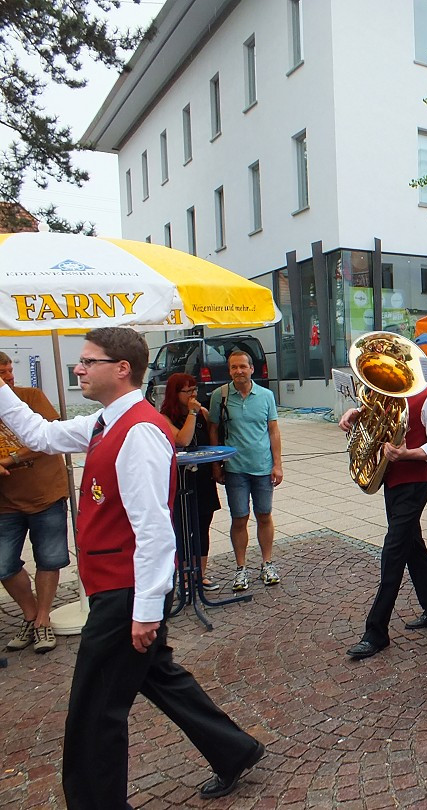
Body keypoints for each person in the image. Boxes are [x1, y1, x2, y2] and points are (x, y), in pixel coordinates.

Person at [0, 327, 264, 806]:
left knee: (94, 711)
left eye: (88, 361)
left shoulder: (138, 431)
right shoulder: (105, 421)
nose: (78, 368)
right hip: (119, 587)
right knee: (158, 677)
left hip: (125, 592)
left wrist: (145, 609)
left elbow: (155, 530)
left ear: (121, 369)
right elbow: (41, 432)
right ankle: (234, 750)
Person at [340, 379, 427, 660]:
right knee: (413, 546)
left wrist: (406, 454)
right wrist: (355, 415)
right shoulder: (387, 394)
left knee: (393, 551)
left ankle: (376, 631)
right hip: (393, 481)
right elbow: (373, 424)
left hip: (415, 483)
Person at [0, 353, 69, 654]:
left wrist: (9, 459)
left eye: (9, 371)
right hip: (6, 501)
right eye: (2, 373)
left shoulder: (30, 397)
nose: (9, 378)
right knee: (3, 564)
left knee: (50, 558)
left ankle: (43, 620)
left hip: (45, 493)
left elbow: (47, 439)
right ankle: (30, 615)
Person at [208, 350, 283, 591]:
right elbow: (213, 430)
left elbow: (273, 431)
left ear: (252, 369)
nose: (238, 371)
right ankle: (241, 568)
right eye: (233, 367)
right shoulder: (220, 396)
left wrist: (277, 464)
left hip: (262, 467)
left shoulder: (266, 396)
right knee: (239, 518)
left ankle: (267, 563)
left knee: (264, 515)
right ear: (229, 371)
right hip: (235, 469)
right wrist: (215, 464)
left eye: (242, 366)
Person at [160, 373, 221, 589]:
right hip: (182, 481)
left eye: (195, 390)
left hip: (203, 479)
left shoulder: (202, 413)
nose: (193, 395)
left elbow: (212, 442)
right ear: (176, 394)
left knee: (203, 526)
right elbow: (182, 439)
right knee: (184, 529)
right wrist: (192, 414)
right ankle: (185, 575)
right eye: (188, 391)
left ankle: (200, 573)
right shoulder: (166, 418)